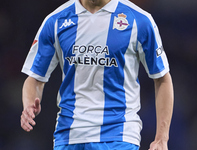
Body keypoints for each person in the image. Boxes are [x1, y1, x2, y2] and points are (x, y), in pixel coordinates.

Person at [20, 0, 174, 150]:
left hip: (118, 135)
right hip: (68, 134)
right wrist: (28, 105)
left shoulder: (139, 20)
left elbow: (162, 78)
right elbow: (35, 78)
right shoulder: (56, 20)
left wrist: (162, 138)